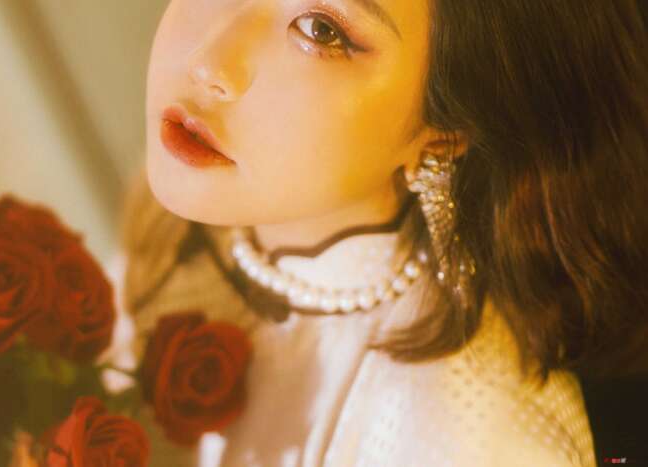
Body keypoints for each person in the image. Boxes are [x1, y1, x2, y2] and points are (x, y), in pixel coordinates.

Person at [106, 0, 648, 465]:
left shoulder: (470, 437)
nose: (208, 62)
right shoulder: (194, 231)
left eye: (321, 30)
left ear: (445, 131)